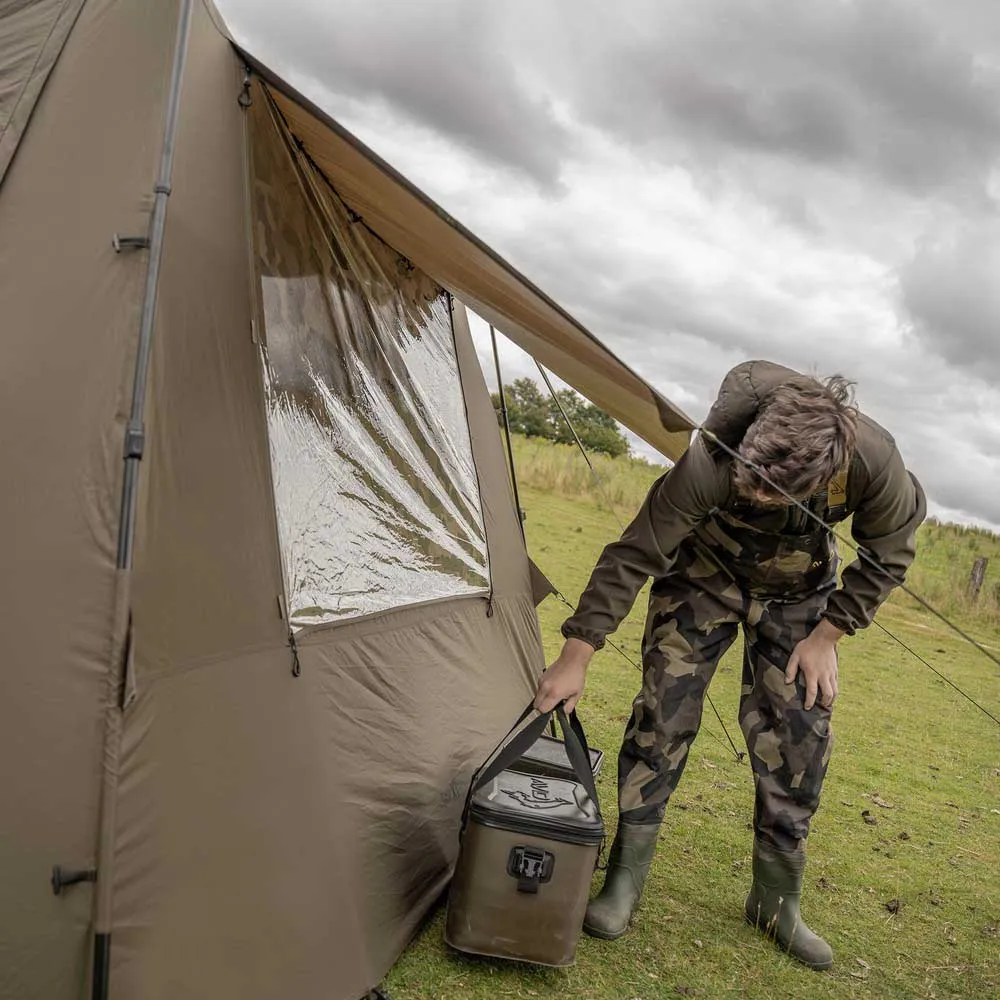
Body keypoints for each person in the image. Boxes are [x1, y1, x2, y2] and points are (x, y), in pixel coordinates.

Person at [534, 360, 925, 970]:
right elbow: (634, 554)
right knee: (661, 717)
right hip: (700, 579)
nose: (756, 496)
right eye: (752, 482)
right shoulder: (710, 462)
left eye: (774, 492)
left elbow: (890, 554)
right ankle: (625, 878)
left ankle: (776, 900)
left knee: (800, 734)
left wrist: (828, 635)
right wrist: (575, 655)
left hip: (800, 600)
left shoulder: (874, 463)